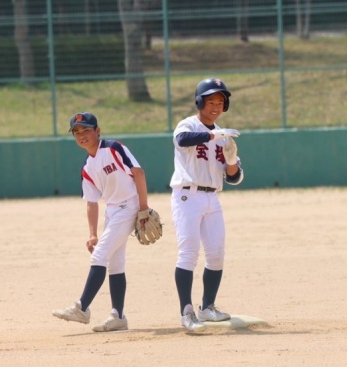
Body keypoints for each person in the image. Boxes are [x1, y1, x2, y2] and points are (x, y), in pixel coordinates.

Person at [52, 112, 155, 332]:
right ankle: (118, 316)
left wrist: (143, 208)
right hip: (113, 211)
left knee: (100, 256)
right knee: (115, 264)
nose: (82, 135)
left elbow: (138, 173)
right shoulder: (87, 167)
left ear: (97, 131)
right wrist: (92, 234)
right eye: (77, 132)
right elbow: (91, 202)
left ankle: (82, 308)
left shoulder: (113, 148)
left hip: (129, 206)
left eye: (86, 130)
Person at [170, 77, 244, 332]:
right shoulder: (188, 124)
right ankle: (186, 311)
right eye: (211, 101)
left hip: (212, 197)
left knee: (216, 254)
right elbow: (182, 140)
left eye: (220, 102)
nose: (216, 106)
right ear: (200, 102)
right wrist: (214, 134)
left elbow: (233, 177)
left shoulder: (223, 136)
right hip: (187, 196)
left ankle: (207, 307)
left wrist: (231, 160)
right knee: (188, 253)